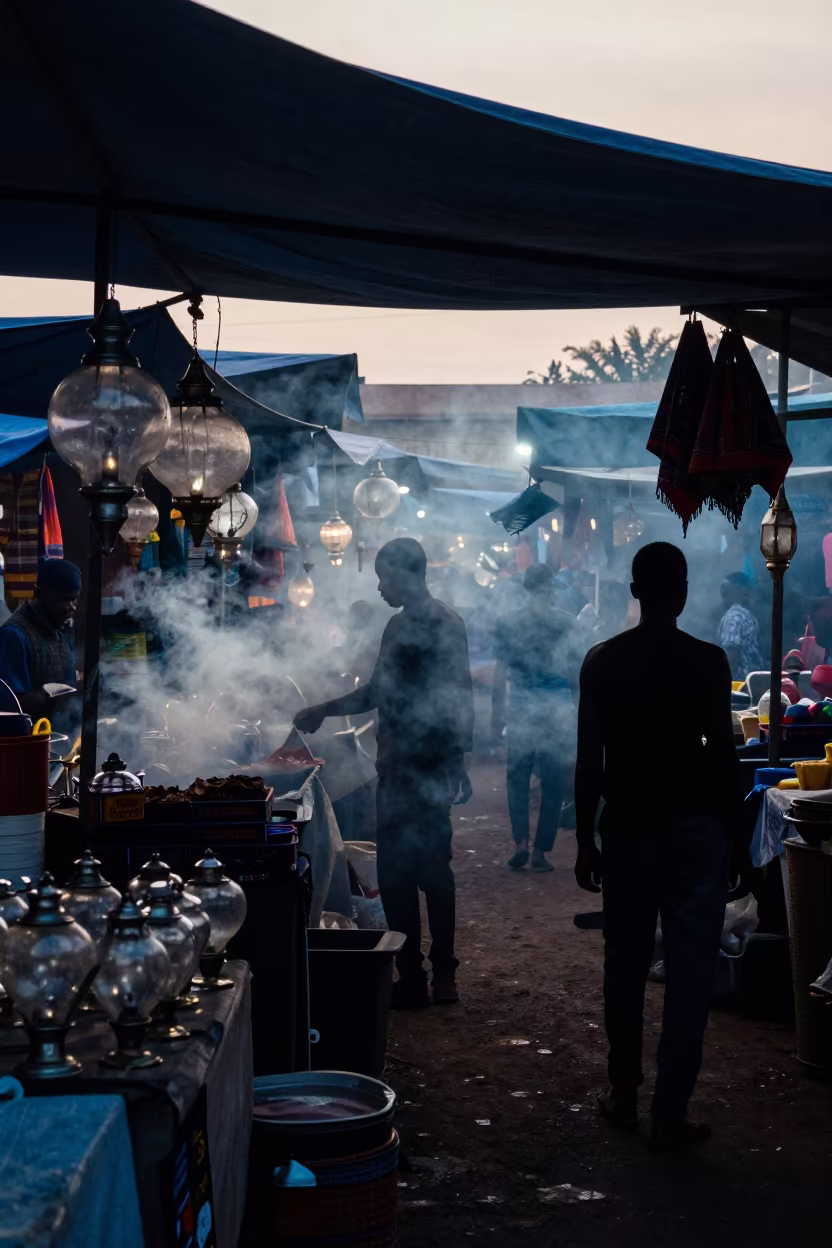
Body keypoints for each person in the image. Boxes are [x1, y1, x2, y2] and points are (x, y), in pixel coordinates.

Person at [575, 542, 742, 1148]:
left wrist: (584, 843)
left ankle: (623, 1094)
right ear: (685, 591)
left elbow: (589, 759)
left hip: (627, 829)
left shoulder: (603, 662)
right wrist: (740, 842)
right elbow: (723, 759)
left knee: (624, 964)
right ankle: (669, 1111)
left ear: (635, 591)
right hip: (696, 828)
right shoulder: (708, 661)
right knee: (691, 971)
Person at [294, 538, 474, 1009]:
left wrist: (321, 710)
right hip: (427, 768)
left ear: (407, 573)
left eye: (384, 576)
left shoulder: (406, 626)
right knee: (433, 873)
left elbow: (380, 692)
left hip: (405, 769)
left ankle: (418, 977)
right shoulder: (446, 622)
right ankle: (438, 978)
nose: (379, 586)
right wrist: (459, 763)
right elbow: (462, 700)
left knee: (402, 875)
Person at [492, 563, 581, 872]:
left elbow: (500, 674)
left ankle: (520, 844)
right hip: (556, 711)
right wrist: (577, 711)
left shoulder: (508, 623)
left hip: (521, 708)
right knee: (553, 782)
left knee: (517, 778)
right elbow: (575, 675)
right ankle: (541, 851)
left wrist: (495, 717)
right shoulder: (566, 624)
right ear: (552, 587)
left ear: (525, 588)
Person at [0, 558, 80, 718]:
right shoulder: (14, 636)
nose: (70, 608)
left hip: (65, 736)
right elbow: (11, 704)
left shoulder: (63, 629)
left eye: (74, 599)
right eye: (63, 599)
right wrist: (60, 697)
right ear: (38, 594)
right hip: (31, 739)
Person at [716, 572, 764, 680]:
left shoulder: (735, 615)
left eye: (726, 589)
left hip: (740, 685)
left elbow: (730, 657)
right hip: (753, 683)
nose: (722, 592)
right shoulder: (745, 615)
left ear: (740, 590)